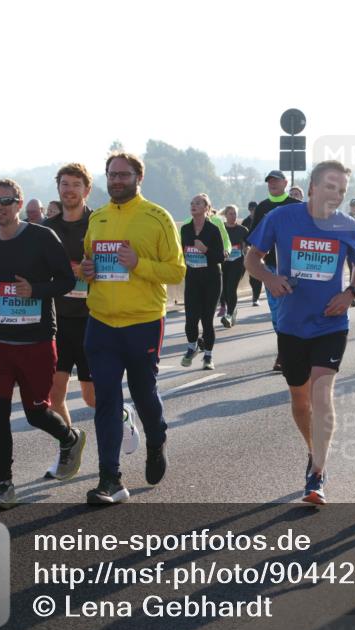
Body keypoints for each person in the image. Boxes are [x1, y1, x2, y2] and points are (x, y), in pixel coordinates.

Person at [244, 160, 355, 504]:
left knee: (320, 394)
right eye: (330, 187)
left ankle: (316, 474)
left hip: (331, 323)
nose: (337, 195)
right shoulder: (281, 218)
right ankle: (314, 451)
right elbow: (253, 258)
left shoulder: (347, 226)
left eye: (342, 190)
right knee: (300, 400)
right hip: (291, 324)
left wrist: (350, 294)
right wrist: (270, 278)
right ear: (313, 187)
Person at [0, 178, 84, 509]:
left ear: (19, 203)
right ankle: (4, 483)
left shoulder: (43, 237)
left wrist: (36, 290)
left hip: (36, 340)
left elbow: (67, 280)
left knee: (36, 413)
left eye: (6, 201)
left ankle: (70, 438)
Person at [80, 152, 186, 504]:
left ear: (138, 178)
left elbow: (176, 271)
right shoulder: (98, 218)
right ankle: (110, 479)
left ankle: (156, 440)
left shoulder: (157, 217)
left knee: (143, 395)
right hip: (101, 323)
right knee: (106, 401)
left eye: (124, 175)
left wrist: (139, 264)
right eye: (112, 175)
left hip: (142, 322)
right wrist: (88, 270)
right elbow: (88, 262)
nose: (116, 181)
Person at [42, 164, 96, 435]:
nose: (70, 189)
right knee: (53, 397)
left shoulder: (100, 223)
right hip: (57, 319)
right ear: (58, 188)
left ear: (87, 190)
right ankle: (69, 444)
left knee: (92, 397)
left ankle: (122, 415)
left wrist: (91, 269)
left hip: (92, 318)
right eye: (65, 184)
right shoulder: (44, 229)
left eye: (76, 184)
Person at [247, 170, 302, 372]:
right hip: (271, 268)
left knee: (295, 311)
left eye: (276, 181)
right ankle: (284, 352)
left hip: (296, 268)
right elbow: (253, 238)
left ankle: (293, 352)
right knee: (277, 313)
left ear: (285, 183)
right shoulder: (263, 207)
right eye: (269, 181)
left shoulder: (297, 207)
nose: (272, 184)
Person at [180, 194, 225, 370]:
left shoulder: (213, 230)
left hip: (211, 279)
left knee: (207, 320)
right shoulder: (185, 229)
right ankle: (192, 346)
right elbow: (181, 252)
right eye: (192, 203)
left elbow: (220, 257)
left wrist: (205, 250)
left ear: (207, 208)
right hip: (192, 279)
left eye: (198, 203)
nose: (193, 205)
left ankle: (208, 356)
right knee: (190, 319)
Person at [219, 204, 249, 327]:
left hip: (238, 262)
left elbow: (247, 245)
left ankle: (229, 315)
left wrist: (247, 251)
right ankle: (233, 310)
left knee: (231, 288)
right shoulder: (220, 229)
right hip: (223, 262)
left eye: (235, 213)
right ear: (225, 215)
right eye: (230, 214)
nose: (233, 216)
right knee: (224, 291)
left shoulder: (243, 230)